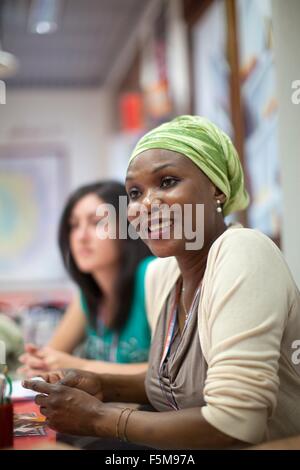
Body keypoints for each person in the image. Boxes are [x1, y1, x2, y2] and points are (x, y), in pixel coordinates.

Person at [23, 116, 300, 449]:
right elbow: (173, 381)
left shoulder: (242, 252)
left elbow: (237, 423)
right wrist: (102, 385)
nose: (146, 205)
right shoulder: (161, 276)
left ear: (217, 188)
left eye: (167, 182)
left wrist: (99, 417)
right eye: (135, 193)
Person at [19, 181, 154, 377]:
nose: (81, 236)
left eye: (97, 222)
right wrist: (39, 363)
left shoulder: (151, 274)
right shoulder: (88, 293)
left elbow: (168, 376)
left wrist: (78, 366)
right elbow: (53, 355)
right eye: (74, 225)